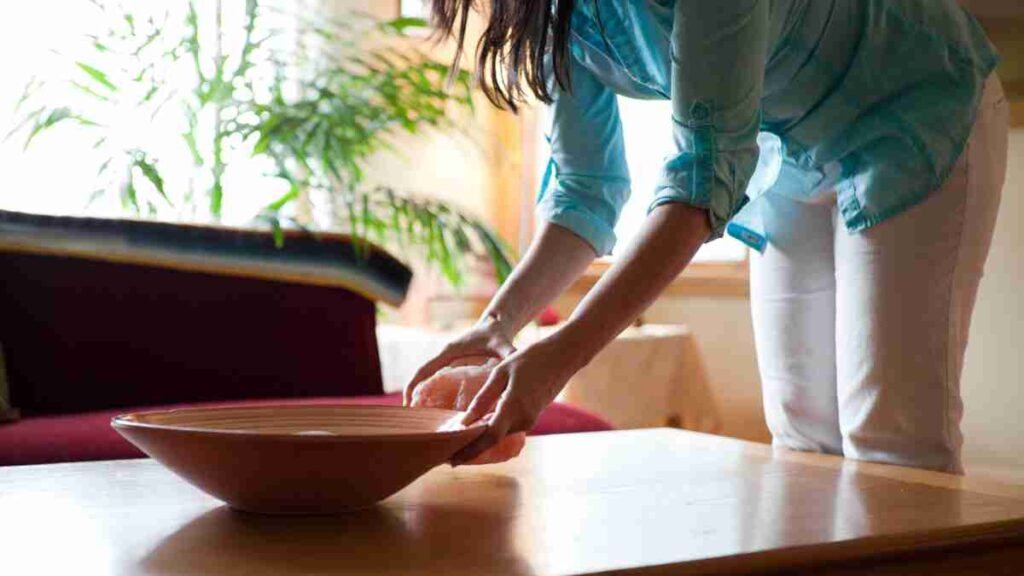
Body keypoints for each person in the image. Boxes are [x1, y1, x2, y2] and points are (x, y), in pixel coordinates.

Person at [404, 0, 1009, 473]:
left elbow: (696, 190)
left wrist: (557, 357)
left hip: (915, 101)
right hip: (794, 152)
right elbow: (585, 193)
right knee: (801, 433)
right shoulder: (558, 15)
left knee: (891, 434)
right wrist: (498, 325)